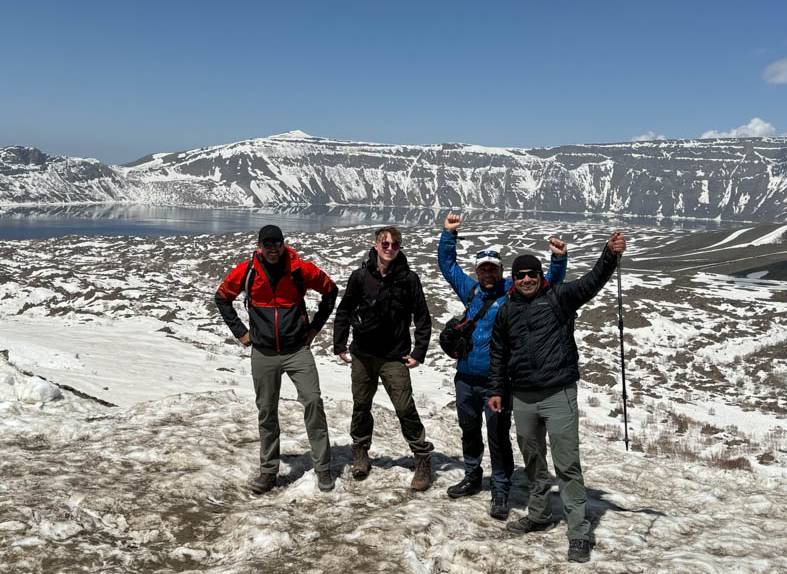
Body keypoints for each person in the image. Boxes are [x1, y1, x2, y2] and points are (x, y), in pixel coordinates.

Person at [488, 230, 627, 563]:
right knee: (533, 461)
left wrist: (609, 254)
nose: (525, 280)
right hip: (522, 396)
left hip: (558, 392)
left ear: (540, 276)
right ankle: (539, 514)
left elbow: (592, 282)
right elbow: (498, 353)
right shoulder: (506, 312)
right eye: (519, 275)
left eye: (531, 274)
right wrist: (495, 389)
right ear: (513, 279)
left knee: (566, 464)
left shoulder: (559, 298)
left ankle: (578, 532)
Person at [438, 213, 567, 519]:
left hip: (498, 382)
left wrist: (558, 258)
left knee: (497, 435)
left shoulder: (511, 293)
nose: (487, 274)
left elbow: (546, 281)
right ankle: (472, 476)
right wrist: (449, 235)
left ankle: (500, 487)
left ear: (499, 271)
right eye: (483, 269)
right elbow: (447, 266)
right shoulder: (470, 291)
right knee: (468, 429)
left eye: (492, 269)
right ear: (478, 271)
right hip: (465, 379)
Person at [214, 224, 339, 493]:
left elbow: (331, 291)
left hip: (297, 350)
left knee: (313, 402)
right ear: (259, 246)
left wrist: (315, 328)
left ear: (283, 244)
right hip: (263, 352)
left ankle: (323, 468)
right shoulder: (246, 272)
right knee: (267, 411)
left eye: (277, 244)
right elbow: (222, 298)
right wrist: (241, 334)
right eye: (267, 244)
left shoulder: (301, 270)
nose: (273, 249)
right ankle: (268, 471)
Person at [332, 226, 435, 490]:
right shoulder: (360, 277)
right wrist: (339, 344)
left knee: (404, 408)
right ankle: (360, 452)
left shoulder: (408, 279)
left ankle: (422, 458)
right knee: (361, 405)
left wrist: (419, 352)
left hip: (394, 356)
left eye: (395, 245)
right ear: (376, 245)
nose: (390, 248)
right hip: (363, 354)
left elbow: (422, 318)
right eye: (385, 244)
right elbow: (344, 310)